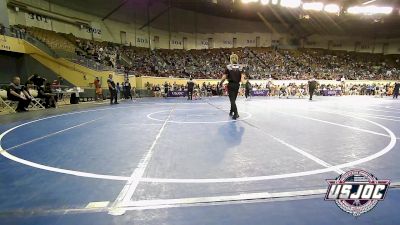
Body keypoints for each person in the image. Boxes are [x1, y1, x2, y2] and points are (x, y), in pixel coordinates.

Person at [219, 53, 245, 120]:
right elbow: (242, 78)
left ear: (230, 59)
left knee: (232, 100)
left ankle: (236, 113)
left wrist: (220, 83)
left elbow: (224, 77)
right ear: (237, 59)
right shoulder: (240, 67)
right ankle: (231, 111)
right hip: (237, 85)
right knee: (233, 100)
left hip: (230, 85)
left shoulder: (228, 67)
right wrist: (243, 86)